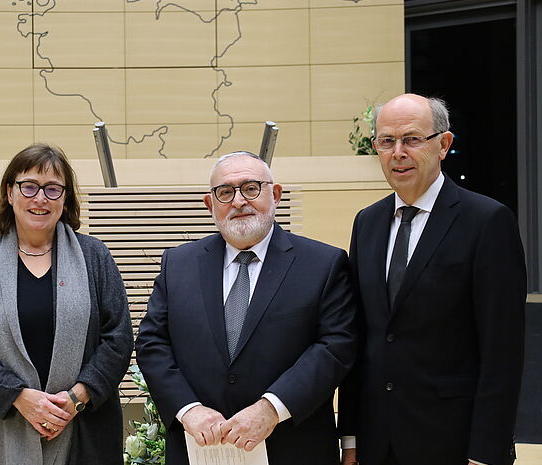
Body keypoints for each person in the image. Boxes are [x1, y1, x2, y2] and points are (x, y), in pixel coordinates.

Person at [337, 94, 526, 465]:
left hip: (453, 441)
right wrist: (351, 436)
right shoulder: (367, 223)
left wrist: (486, 452)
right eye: (387, 141)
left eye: (412, 139)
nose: (398, 152)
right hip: (377, 441)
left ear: (444, 144)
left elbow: (502, 352)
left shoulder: (487, 222)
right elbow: (361, 338)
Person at [135, 151, 357, 465]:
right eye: (225, 192)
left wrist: (271, 408)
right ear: (209, 204)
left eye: (251, 188)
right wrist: (189, 410)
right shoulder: (177, 265)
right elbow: (151, 344)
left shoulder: (324, 264)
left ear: (275, 194)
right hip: (199, 449)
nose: (239, 201)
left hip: (293, 447)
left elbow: (335, 347)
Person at [0, 143, 133, 465]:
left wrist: (74, 399)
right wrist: (19, 397)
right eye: (29, 186)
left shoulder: (95, 258)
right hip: (4, 422)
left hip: (86, 424)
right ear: (9, 192)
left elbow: (117, 338)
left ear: (65, 198)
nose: (40, 199)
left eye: (52, 189)